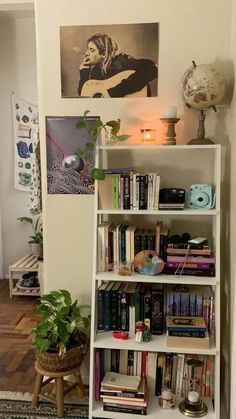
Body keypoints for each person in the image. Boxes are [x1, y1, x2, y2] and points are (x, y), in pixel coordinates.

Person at [78, 33, 158, 98]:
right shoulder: (95, 70)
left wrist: (115, 92)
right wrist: (84, 71)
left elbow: (151, 67)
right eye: (87, 49)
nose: (86, 53)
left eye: (91, 50)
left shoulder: (121, 61)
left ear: (104, 54)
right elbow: (85, 94)